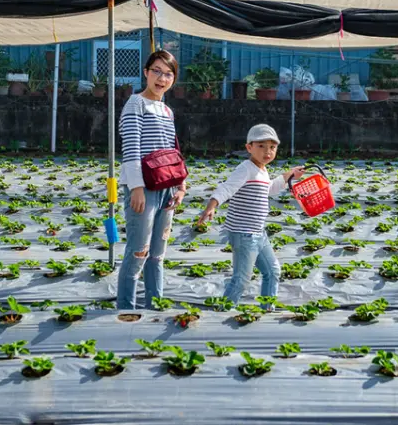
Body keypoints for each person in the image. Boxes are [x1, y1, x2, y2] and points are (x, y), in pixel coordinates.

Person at [198, 124, 304, 308]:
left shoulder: (261, 170)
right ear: (249, 147)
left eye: (272, 147)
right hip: (243, 233)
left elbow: (269, 188)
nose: (267, 151)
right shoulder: (246, 168)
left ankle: (266, 309)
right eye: (261, 146)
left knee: (272, 271)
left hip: (258, 232)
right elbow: (227, 187)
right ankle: (222, 312)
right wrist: (212, 205)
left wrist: (289, 175)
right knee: (241, 280)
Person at [116, 50, 186, 310]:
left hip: (167, 189)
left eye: (168, 74)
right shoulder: (136, 103)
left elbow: (173, 151)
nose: (162, 78)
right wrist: (136, 188)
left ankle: (155, 307)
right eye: (156, 71)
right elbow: (131, 148)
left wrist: (181, 186)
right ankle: (126, 309)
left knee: (158, 254)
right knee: (138, 252)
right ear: (146, 72)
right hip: (144, 189)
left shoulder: (167, 110)